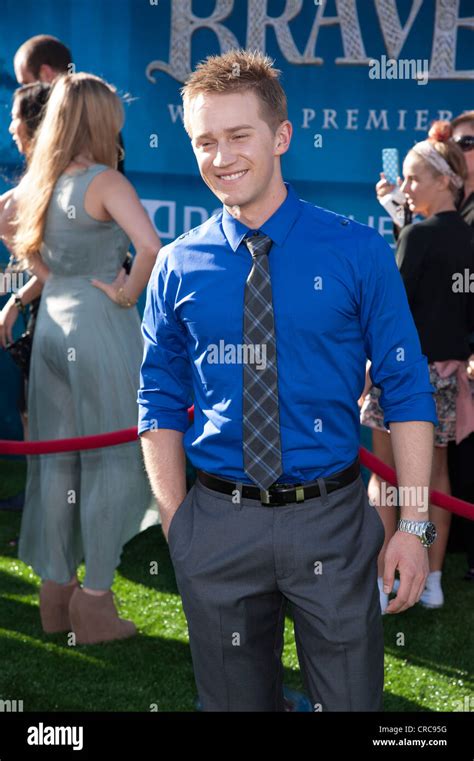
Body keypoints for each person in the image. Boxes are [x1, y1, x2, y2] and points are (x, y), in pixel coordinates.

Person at [137, 49, 438, 712]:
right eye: (204, 141)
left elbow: (406, 390)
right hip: (215, 522)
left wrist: (413, 526)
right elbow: (157, 396)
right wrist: (177, 521)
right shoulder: (177, 265)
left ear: (281, 136)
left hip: (332, 521)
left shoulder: (357, 252)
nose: (221, 157)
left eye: (238, 135)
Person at [11, 72, 161, 644]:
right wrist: (125, 293)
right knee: (113, 460)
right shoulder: (105, 181)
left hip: (52, 323)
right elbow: (150, 247)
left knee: (58, 464)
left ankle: (57, 596)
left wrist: (62, 282)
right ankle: (95, 602)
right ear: (101, 122)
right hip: (100, 325)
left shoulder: (38, 183)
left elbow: (26, 251)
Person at [363, 121, 474, 612]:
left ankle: (385, 577)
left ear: (444, 181)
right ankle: (431, 582)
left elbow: (393, 310)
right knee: (437, 480)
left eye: (412, 179)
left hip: (404, 376)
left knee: (387, 476)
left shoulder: (419, 236)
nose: (405, 188)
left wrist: (368, 367)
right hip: (449, 376)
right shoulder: (465, 237)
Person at [0, 82, 51, 438]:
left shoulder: (54, 185)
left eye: (15, 118)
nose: (10, 128)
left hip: (59, 319)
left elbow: (56, 271)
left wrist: (15, 302)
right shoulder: (26, 189)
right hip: (43, 315)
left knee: (46, 427)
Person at [13, 34, 126, 175]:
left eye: (25, 83)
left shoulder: (72, 117)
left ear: (45, 73)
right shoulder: (97, 112)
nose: (24, 93)